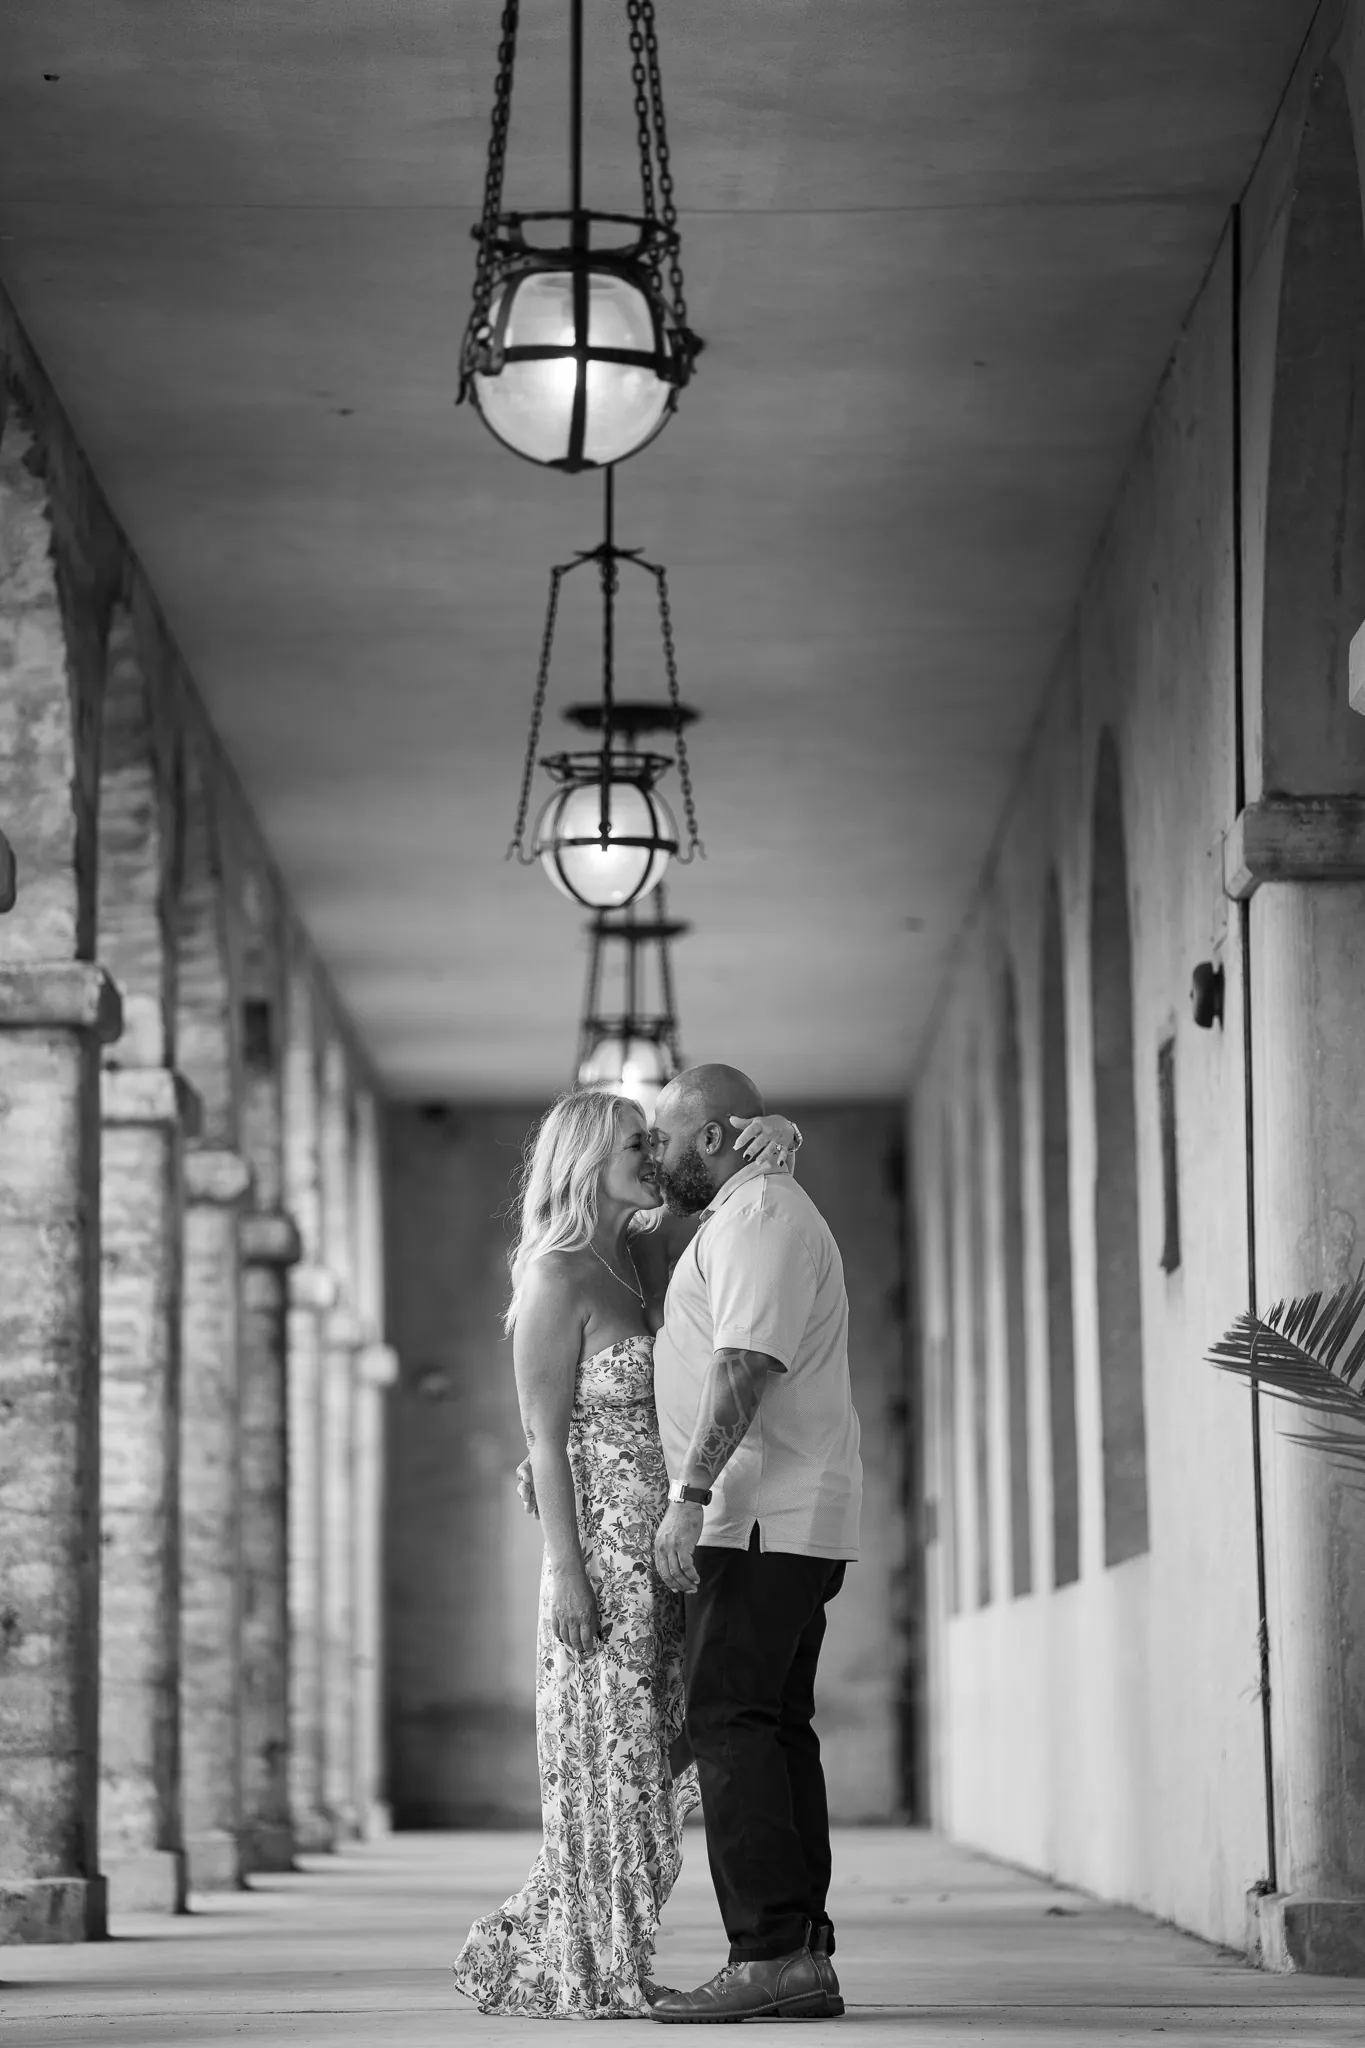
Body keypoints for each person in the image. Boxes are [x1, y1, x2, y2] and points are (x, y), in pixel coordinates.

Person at [451, 1087, 799, 2019]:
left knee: (667, 1756)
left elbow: (740, 1234)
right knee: (610, 1764)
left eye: (655, 1139)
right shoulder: (554, 1277)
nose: (653, 1155)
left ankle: (620, 1941)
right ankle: (591, 1960)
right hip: (602, 1556)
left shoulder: (643, 1252)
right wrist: (564, 1569)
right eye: (634, 1144)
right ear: (581, 1160)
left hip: (674, 1550)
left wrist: (780, 1136)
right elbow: (543, 1442)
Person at [645, 1065, 861, 2025]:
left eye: (664, 1136)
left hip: (757, 1514)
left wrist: (688, 1496)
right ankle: (798, 1955)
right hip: (774, 1516)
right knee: (769, 1729)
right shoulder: (748, 1209)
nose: (655, 1155)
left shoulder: (757, 1216)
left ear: (713, 1136)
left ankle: (769, 1954)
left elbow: (746, 1363)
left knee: (730, 1725)